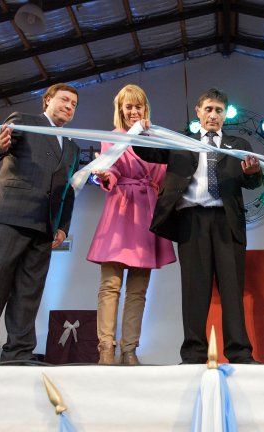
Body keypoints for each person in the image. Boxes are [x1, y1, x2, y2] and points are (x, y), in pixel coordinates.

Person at [0, 84, 81, 366]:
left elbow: (67, 189)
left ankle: (18, 354)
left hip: (44, 227)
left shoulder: (72, 147)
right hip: (10, 215)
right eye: (64, 100)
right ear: (47, 100)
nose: (69, 106)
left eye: (74, 104)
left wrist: (63, 225)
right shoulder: (24, 121)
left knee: (29, 293)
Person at [132, 88, 262, 364]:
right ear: (198, 112)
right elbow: (146, 151)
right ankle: (193, 354)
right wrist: (138, 130)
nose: (213, 115)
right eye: (208, 109)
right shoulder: (181, 142)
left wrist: (253, 173)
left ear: (225, 115)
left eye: (219, 110)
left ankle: (239, 352)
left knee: (232, 290)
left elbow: (253, 181)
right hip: (191, 221)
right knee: (194, 290)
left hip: (227, 222)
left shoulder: (238, 144)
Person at [87, 84, 176, 365]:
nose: (133, 111)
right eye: (128, 106)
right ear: (121, 110)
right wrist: (104, 176)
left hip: (147, 212)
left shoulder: (156, 139)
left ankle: (129, 350)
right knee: (110, 284)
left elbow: (163, 176)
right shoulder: (112, 138)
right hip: (120, 209)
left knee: (138, 289)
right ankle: (106, 348)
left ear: (145, 109)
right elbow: (109, 169)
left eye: (138, 106)